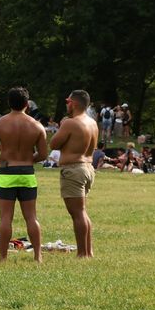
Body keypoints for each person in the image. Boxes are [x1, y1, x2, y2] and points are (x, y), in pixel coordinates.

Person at [0, 86, 49, 262]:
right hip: (27, 173)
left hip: (6, 172)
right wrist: (29, 161)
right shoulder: (37, 126)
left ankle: (3, 257)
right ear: (27, 104)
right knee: (31, 217)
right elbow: (43, 155)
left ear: (9, 103)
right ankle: (38, 256)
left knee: (6, 217)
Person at [50, 90, 99, 259]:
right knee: (82, 212)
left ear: (74, 103)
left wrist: (62, 125)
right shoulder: (92, 123)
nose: (66, 105)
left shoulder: (70, 123)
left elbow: (54, 144)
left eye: (68, 102)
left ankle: (82, 254)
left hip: (73, 170)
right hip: (88, 168)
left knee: (77, 213)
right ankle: (88, 251)